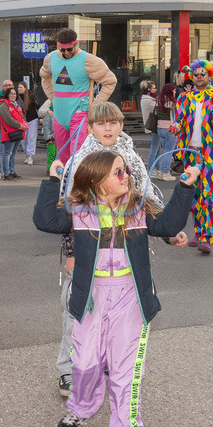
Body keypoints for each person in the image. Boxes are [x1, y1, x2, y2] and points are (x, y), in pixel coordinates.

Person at [35, 150, 195, 427]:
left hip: (130, 298)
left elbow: (168, 224)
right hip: (91, 297)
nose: (126, 176)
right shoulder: (79, 212)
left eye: (125, 171)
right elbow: (44, 220)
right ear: (96, 181)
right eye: (117, 172)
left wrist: (185, 187)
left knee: (125, 372)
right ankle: (80, 410)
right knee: (84, 364)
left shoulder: (138, 208)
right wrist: (53, 180)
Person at [49, 101, 163, 398]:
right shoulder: (82, 161)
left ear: (121, 125)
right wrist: (72, 251)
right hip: (89, 249)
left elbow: (147, 203)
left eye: (113, 122)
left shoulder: (131, 158)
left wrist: (169, 231)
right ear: (90, 128)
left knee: (117, 313)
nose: (108, 128)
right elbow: (69, 210)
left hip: (125, 250)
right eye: (101, 124)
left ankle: (104, 362)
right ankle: (67, 368)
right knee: (79, 310)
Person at [171, 60, 213, 254]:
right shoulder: (184, 98)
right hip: (190, 153)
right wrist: (176, 127)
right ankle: (197, 233)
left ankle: (206, 237)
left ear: (209, 76)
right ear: (192, 77)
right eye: (196, 74)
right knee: (193, 194)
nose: (199, 76)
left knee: (207, 195)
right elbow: (179, 120)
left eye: (203, 73)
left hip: (209, 153)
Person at [40, 28, 116, 163]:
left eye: (69, 49)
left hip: (79, 113)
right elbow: (44, 77)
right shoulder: (50, 58)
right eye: (62, 50)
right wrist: (52, 97)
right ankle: (64, 183)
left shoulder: (89, 60)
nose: (66, 53)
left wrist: (94, 105)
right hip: (59, 114)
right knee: (62, 156)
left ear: (76, 44)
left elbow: (110, 81)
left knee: (79, 156)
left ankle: (79, 184)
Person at [0, 83, 28, 180]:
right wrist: (21, 126)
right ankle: (7, 173)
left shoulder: (16, 105)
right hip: (9, 133)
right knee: (8, 153)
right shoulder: (3, 106)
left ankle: (12, 171)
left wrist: (25, 124)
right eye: (11, 94)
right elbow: (8, 120)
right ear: (7, 95)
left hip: (18, 133)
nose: (13, 95)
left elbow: (22, 117)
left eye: (15, 94)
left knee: (13, 154)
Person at [153, 84, 176, 180]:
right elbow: (176, 116)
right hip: (170, 129)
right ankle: (166, 172)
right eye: (174, 90)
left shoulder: (158, 100)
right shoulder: (172, 102)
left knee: (165, 151)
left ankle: (162, 172)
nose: (175, 92)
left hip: (160, 128)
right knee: (169, 152)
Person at [139, 80, 159, 175]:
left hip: (151, 126)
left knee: (157, 148)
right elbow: (157, 111)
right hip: (153, 126)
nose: (156, 90)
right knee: (154, 148)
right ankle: (151, 169)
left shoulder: (146, 98)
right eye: (154, 88)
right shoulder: (149, 100)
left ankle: (157, 168)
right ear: (149, 89)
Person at [18, 81, 40, 165]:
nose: (19, 89)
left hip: (32, 119)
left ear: (25, 88)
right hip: (22, 121)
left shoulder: (31, 96)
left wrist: (41, 116)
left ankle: (30, 156)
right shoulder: (17, 97)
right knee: (23, 139)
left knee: (31, 138)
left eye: (21, 87)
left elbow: (38, 106)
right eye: (19, 87)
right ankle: (26, 155)